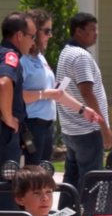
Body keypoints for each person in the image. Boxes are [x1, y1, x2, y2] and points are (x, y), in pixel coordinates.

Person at [21, 9, 104, 166]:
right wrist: (45, 93)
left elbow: (56, 93)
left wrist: (83, 110)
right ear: (34, 31)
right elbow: (14, 95)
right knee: (30, 178)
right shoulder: (21, 59)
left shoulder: (39, 57)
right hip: (30, 126)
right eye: (47, 31)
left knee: (43, 176)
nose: (50, 35)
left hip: (46, 127)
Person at [56, 12, 111, 195]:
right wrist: (104, 127)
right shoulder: (80, 57)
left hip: (71, 129)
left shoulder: (66, 52)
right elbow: (87, 93)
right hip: (87, 130)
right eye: (92, 30)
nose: (96, 33)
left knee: (71, 179)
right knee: (92, 181)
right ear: (78, 31)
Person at [0, 12, 36, 175]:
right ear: (20, 35)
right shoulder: (10, 56)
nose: (33, 43)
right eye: (32, 37)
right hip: (6, 132)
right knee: (6, 187)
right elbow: (4, 84)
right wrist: (8, 118)